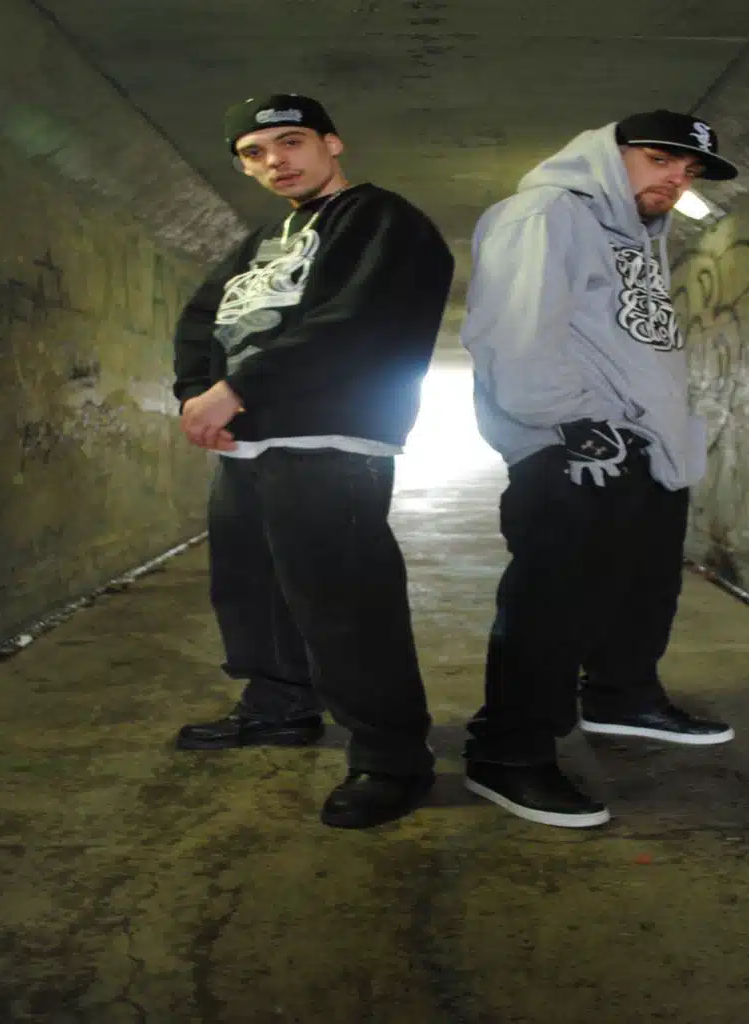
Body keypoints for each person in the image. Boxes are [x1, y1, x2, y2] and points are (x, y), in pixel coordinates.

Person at [171, 93, 454, 829]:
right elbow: (203, 318)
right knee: (250, 589)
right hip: (250, 441)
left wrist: (239, 388)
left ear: (333, 143)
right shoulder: (263, 240)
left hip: (333, 438)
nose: (275, 161)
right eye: (254, 154)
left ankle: (392, 758)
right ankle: (279, 706)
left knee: (346, 606)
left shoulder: (382, 221)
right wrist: (195, 393)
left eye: (291, 142)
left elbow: (358, 321)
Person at [459, 110, 738, 829]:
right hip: (578, 444)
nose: (675, 179)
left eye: (688, 170)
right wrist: (572, 423)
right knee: (554, 603)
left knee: (641, 588)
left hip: (641, 443)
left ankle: (621, 696)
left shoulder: (640, 232)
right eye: (658, 159)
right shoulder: (546, 213)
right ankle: (508, 752)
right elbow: (514, 329)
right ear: (607, 154)